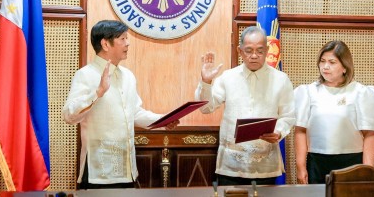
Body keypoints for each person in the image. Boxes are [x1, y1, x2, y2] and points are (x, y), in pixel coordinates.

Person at [63, 20, 179, 189]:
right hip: (99, 172)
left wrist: (164, 120)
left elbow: (136, 113)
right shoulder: (85, 75)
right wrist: (98, 93)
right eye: (123, 39)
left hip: (127, 169)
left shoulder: (128, 76)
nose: (128, 43)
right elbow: (69, 115)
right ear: (105, 43)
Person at [195, 26, 295, 185]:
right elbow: (205, 108)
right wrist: (206, 82)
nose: (254, 56)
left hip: (265, 165)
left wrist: (279, 131)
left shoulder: (281, 80)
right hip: (231, 165)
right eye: (248, 50)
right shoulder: (228, 77)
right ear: (240, 51)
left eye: (260, 51)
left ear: (268, 50)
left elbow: (288, 116)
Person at [294, 40, 374, 184]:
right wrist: (300, 167)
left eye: (332, 62)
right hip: (317, 162)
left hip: (351, 162)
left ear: (345, 67)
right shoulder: (308, 92)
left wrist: (368, 170)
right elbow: (300, 131)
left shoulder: (361, 92)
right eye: (322, 61)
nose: (325, 67)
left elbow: (370, 134)